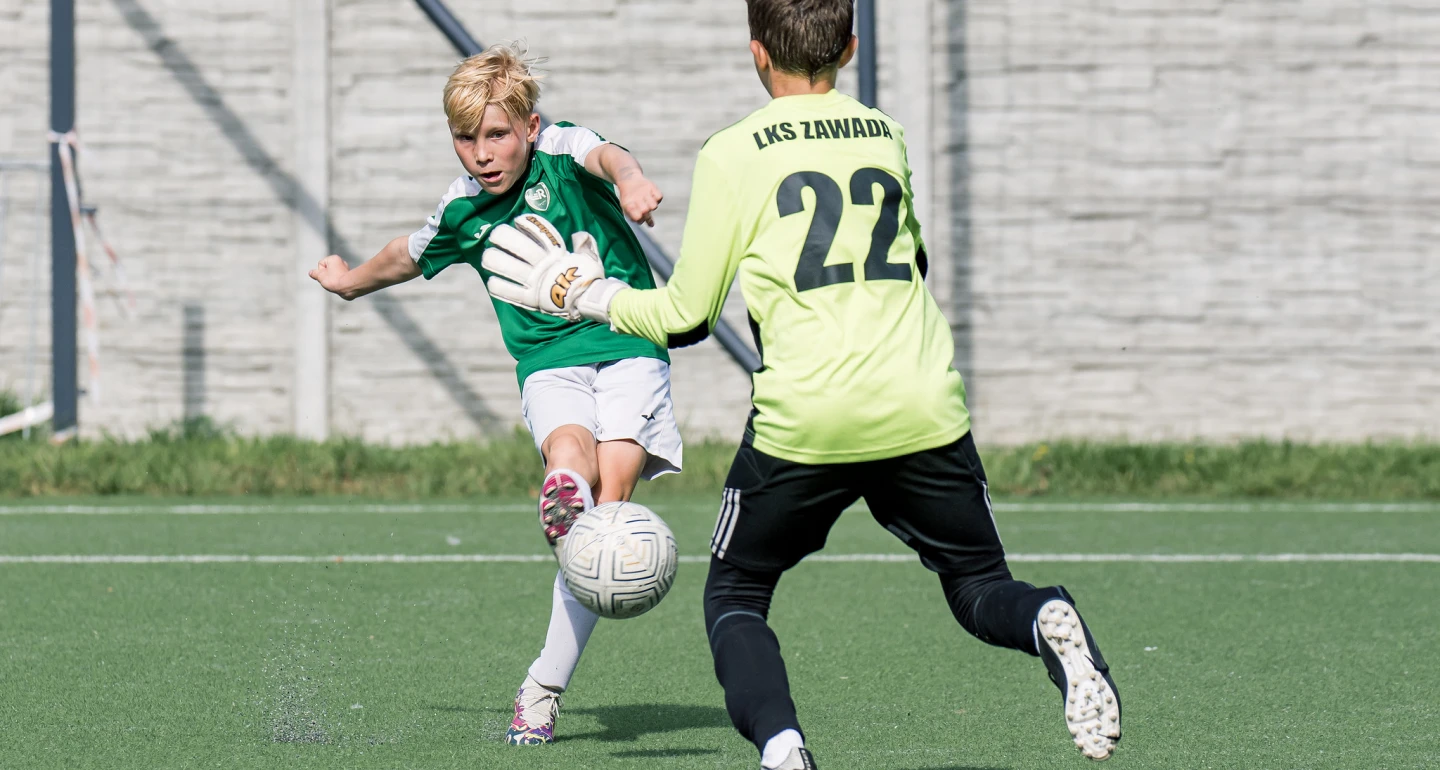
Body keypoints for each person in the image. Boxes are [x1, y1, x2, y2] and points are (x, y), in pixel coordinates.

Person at [473, 2, 1123, 766]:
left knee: (737, 596)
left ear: (757, 52)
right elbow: (913, 262)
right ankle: (1043, 615)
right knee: (980, 586)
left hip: (806, 419)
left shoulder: (732, 151)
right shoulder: (884, 133)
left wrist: (586, 294)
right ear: (849, 47)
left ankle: (783, 748)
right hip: (920, 403)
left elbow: (685, 315)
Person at [308, 43, 683, 746]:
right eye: (465, 138)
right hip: (548, 361)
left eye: (497, 134)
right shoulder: (464, 209)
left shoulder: (562, 151)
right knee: (571, 466)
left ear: (530, 127)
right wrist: (349, 282)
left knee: (608, 507)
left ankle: (543, 684)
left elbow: (610, 157)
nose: (481, 153)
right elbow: (406, 255)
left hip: (630, 341)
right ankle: (562, 500)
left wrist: (633, 181)